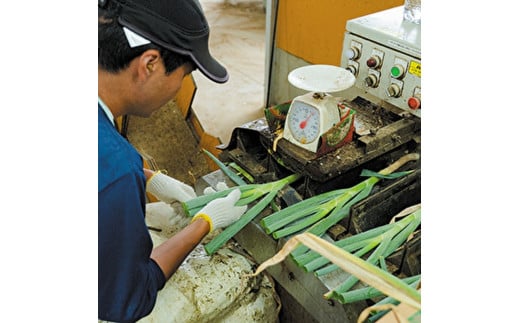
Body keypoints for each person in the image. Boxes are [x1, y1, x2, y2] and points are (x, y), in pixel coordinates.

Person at [98, 0, 248, 321]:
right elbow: (129, 298)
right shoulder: (117, 168)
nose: (180, 87)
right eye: (183, 74)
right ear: (150, 64)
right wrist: (203, 223)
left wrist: (151, 177)